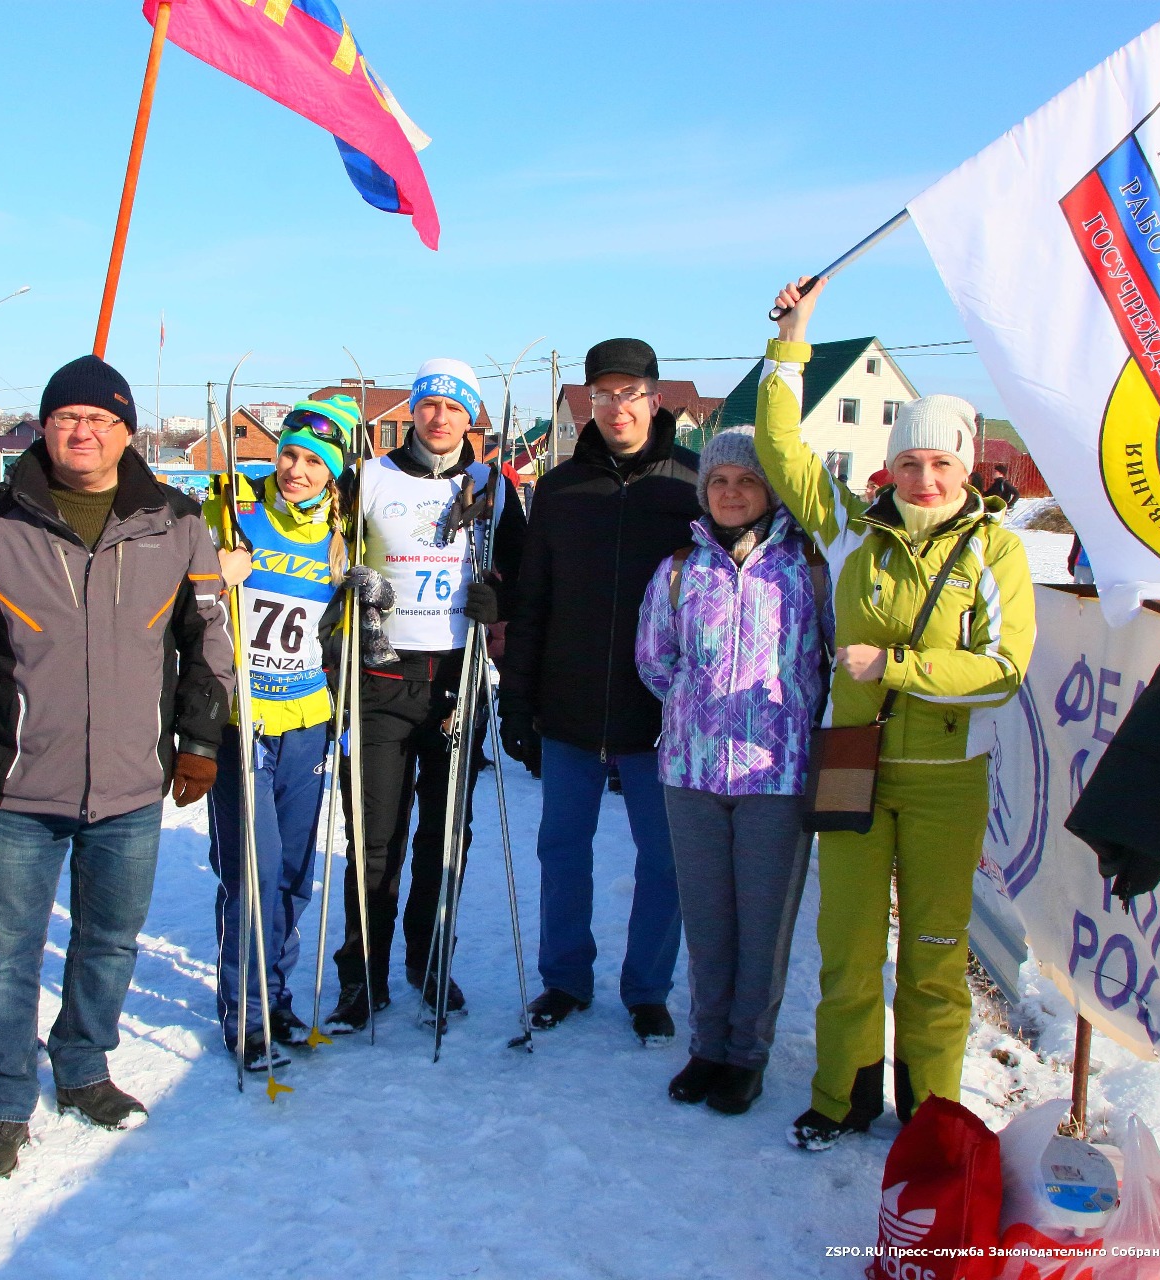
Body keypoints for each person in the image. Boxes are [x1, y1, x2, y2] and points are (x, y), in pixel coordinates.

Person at [0, 354, 234, 1180]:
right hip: (17, 784)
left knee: (109, 943)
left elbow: (209, 642)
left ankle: (84, 1067)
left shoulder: (174, 521)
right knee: (4, 953)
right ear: (44, 426)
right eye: (67, 418)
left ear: (127, 432)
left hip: (129, 785)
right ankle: (1, 1103)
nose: (83, 432)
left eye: (101, 420)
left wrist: (199, 739)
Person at [760, 277, 1036, 1151]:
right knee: (846, 950)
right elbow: (779, 449)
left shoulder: (995, 549)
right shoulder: (849, 527)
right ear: (889, 467)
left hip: (948, 781)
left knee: (934, 956)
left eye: (941, 463)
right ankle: (842, 1096)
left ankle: (935, 1111)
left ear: (966, 467)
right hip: (850, 762)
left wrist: (898, 666)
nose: (924, 478)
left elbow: (1001, 668)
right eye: (910, 463)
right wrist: (791, 343)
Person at [501, 338, 699, 1043]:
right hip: (569, 703)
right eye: (603, 395)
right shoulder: (558, 491)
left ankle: (648, 988)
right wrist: (516, 701)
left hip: (662, 715)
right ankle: (565, 978)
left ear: (655, 396)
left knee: (665, 859)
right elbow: (531, 603)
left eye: (630, 393)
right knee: (562, 848)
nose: (617, 407)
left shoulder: (693, 486)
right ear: (588, 401)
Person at [323, 358, 526, 1034]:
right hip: (381, 676)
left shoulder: (491, 486)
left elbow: (520, 572)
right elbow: (328, 562)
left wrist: (501, 599)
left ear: (472, 418)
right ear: (413, 411)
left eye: (454, 408)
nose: (440, 418)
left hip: (457, 680)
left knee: (445, 837)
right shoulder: (370, 478)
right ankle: (363, 977)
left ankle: (430, 960)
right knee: (375, 840)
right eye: (429, 405)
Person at [635, 427, 827, 1114]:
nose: (733, 492)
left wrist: (788, 711)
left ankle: (747, 1054)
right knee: (709, 921)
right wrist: (694, 700)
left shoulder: (806, 569)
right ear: (704, 491)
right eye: (720, 481)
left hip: (777, 776)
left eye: (746, 480)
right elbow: (652, 657)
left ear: (770, 489)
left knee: (763, 925)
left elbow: (830, 661)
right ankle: (706, 1046)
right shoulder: (682, 568)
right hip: (691, 772)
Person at [201, 395, 359, 1069]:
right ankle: (247, 1012)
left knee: (295, 874)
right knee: (253, 872)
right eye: (289, 454)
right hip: (243, 720)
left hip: (307, 721)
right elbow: (178, 585)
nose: (295, 470)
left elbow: (352, 625)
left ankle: (276, 996)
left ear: (333, 472)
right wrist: (212, 571)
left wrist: (360, 592)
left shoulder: (344, 531)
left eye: (312, 461)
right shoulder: (234, 510)